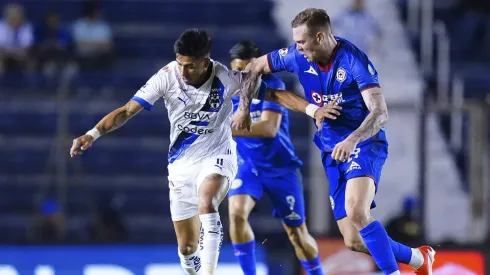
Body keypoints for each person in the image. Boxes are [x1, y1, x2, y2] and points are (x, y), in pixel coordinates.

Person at [69, 29, 333, 275]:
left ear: (205, 62)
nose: (184, 70)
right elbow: (127, 111)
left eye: (190, 65)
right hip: (181, 164)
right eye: (180, 63)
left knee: (209, 203)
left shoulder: (227, 79)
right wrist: (92, 134)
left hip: (225, 158)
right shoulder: (166, 76)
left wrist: (313, 110)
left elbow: (276, 97)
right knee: (186, 248)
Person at [232, 8, 435, 275]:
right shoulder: (296, 56)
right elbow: (255, 66)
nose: (297, 47)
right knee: (353, 240)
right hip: (331, 149)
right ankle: (419, 259)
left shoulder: (353, 61)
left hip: (363, 143)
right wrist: (243, 109)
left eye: (302, 42)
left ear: (320, 36)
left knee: (356, 210)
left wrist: (352, 140)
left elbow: (380, 112)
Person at [228, 41, 324, 275]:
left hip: (280, 169)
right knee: (236, 215)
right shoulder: (226, 92)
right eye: (237, 70)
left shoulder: (272, 87)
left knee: (297, 235)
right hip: (246, 166)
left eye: (247, 70)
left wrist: (224, 128)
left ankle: (317, 272)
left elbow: (268, 129)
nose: (242, 76)